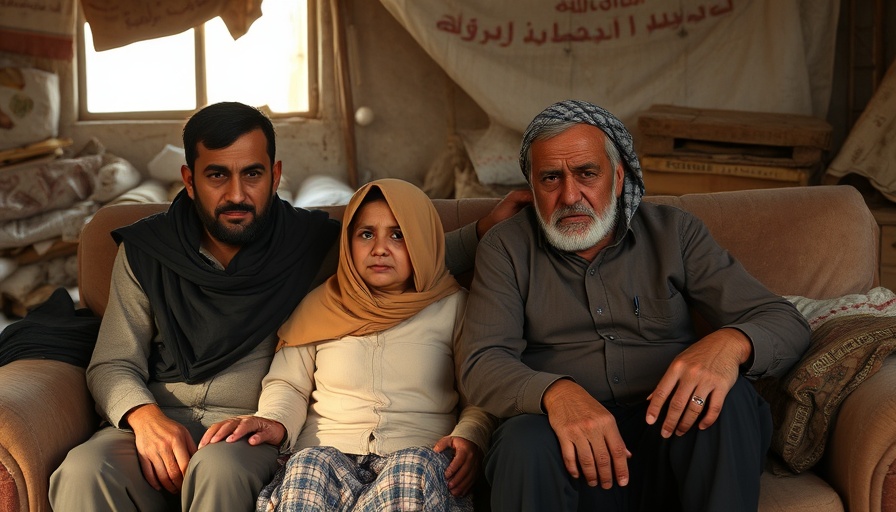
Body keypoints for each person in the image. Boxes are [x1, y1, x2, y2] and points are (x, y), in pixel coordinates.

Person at [49, 102, 527, 512]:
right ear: (189, 179)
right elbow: (112, 362)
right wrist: (145, 419)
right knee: (84, 471)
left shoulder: (308, 243)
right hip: (153, 419)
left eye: (252, 174)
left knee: (220, 471)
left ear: (275, 175)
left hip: (244, 429)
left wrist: (484, 230)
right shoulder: (146, 251)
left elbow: (403, 261)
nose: (236, 194)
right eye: (217, 175)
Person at [455, 100, 812, 512]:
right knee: (522, 444)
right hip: (567, 448)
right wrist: (556, 393)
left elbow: (783, 320)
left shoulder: (675, 232)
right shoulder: (506, 247)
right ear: (532, 186)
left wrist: (729, 344)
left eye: (587, 173)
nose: (570, 195)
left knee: (726, 402)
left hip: (672, 435)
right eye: (551, 178)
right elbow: (482, 361)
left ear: (619, 176)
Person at [199, 178, 495, 511]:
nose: (379, 248)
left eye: (398, 235)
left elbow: (481, 391)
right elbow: (288, 384)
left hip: (418, 454)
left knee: (411, 469)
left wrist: (471, 436)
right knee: (309, 465)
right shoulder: (319, 305)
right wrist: (274, 420)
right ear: (349, 243)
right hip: (327, 453)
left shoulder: (456, 308)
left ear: (424, 241)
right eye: (366, 234)